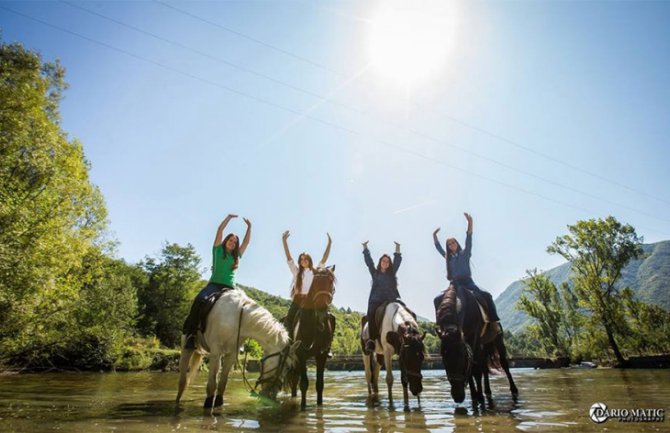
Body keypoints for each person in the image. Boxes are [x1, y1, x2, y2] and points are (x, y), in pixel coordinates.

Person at [182, 214, 251, 349]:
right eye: (230, 240)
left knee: (244, 307)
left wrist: (249, 227)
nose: (232, 242)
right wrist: (228, 218)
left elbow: (246, 242)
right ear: (226, 241)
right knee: (199, 299)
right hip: (214, 285)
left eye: (235, 242)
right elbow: (220, 230)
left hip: (230, 288)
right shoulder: (217, 250)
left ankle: (238, 340)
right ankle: (191, 335)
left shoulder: (236, 256)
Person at [432, 212, 500, 323]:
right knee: (437, 299)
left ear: (457, 243)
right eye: (449, 244)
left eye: (453, 242)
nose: (452, 244)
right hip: (454, 285)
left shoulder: (465, 253)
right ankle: (440, 324)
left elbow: (469, 238)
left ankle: (494, 321)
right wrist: (434, 236)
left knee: (487, 295)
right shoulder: (447, 258)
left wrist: (470, 222)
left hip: (468, 282)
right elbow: (438, 247)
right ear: (448, 247)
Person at [282, 230, 332, 339]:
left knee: (329, 318)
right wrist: (284, 242)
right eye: (301, 259)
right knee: (288, 320)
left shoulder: (316, 271)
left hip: (312, 301)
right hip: (298, 301)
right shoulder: (296, 272)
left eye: (305, 259)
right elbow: (289, 258)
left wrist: (329, 244)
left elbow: (324, 257)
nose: (303, 261)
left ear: (309, 260)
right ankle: (287, 344)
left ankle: (327, 347)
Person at [362, 240, 402, 353]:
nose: (385, 263)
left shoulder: (391, 273)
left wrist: (397, 248)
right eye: (383, 261)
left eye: (387, 262)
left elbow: (397, 261)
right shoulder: (375, 273)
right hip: (377, 300)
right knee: (371, 312)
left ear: (389, 264)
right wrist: (365, 248)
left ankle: (406, 337)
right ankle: (372, 340)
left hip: (391, 299)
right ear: (380, 262)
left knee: (405, 311)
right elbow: (369, 262)